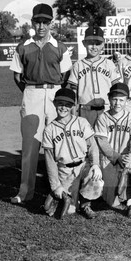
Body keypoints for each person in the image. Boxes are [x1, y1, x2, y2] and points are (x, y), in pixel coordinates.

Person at [9, 3, 72, 204]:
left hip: (55, 94)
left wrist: (54, 94)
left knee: (59, 143)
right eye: (38, 21)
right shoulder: (23, 47)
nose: (42, 26)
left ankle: (62, 190)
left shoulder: (60, 47)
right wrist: (30, 93)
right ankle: (25, 192)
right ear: (33, 22)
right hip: (32, 93)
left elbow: (65, 75)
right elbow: (17, 76)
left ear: (51, 23)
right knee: (30, 145)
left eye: (45, 22)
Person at [42, 88, 103, 219]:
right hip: (65, 170)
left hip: (83, 165)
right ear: (54, 103)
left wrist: (96, 165)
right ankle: (62, 196)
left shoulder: (81, 122)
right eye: (60, 103)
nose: (63, 107)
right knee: (69, 210)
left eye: (68, 104)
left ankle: (86, 205)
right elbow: (50, 160)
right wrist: (55, 186)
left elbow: (92, 146)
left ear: (73, 106)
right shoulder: (49, 130)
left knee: (94, 177)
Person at [94, 83, 131, 219]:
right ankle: (117, 194)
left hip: (126, 158)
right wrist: (116, 157)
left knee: (130, 173)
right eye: (114, 99)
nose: (117, 103)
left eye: (121, 100)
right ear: (109, 98)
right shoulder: (102, 118)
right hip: (109, 159)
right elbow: (102, 142)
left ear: (127, 100)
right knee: (112, 202)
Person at [67, 25, 120, 127]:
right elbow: (73, 91)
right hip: (85, 110)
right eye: (90, 43)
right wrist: (73, 113)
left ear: (103, 45)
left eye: (97, 43)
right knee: (87, 140)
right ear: (84, 43)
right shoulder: (78, 65)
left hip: (107, 109)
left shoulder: (109, 64)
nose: (94, 47)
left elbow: (116, 89)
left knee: (106, 140)